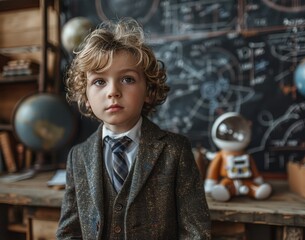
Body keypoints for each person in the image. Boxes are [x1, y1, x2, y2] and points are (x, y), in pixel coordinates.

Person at [56, 17, 211, 239]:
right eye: (99, 82)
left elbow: (195, 232)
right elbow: (69, 232)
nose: (113, 92)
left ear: (148, 90)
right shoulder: (78, 157)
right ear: (86, 96)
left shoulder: (175, 151)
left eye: (127, 79)